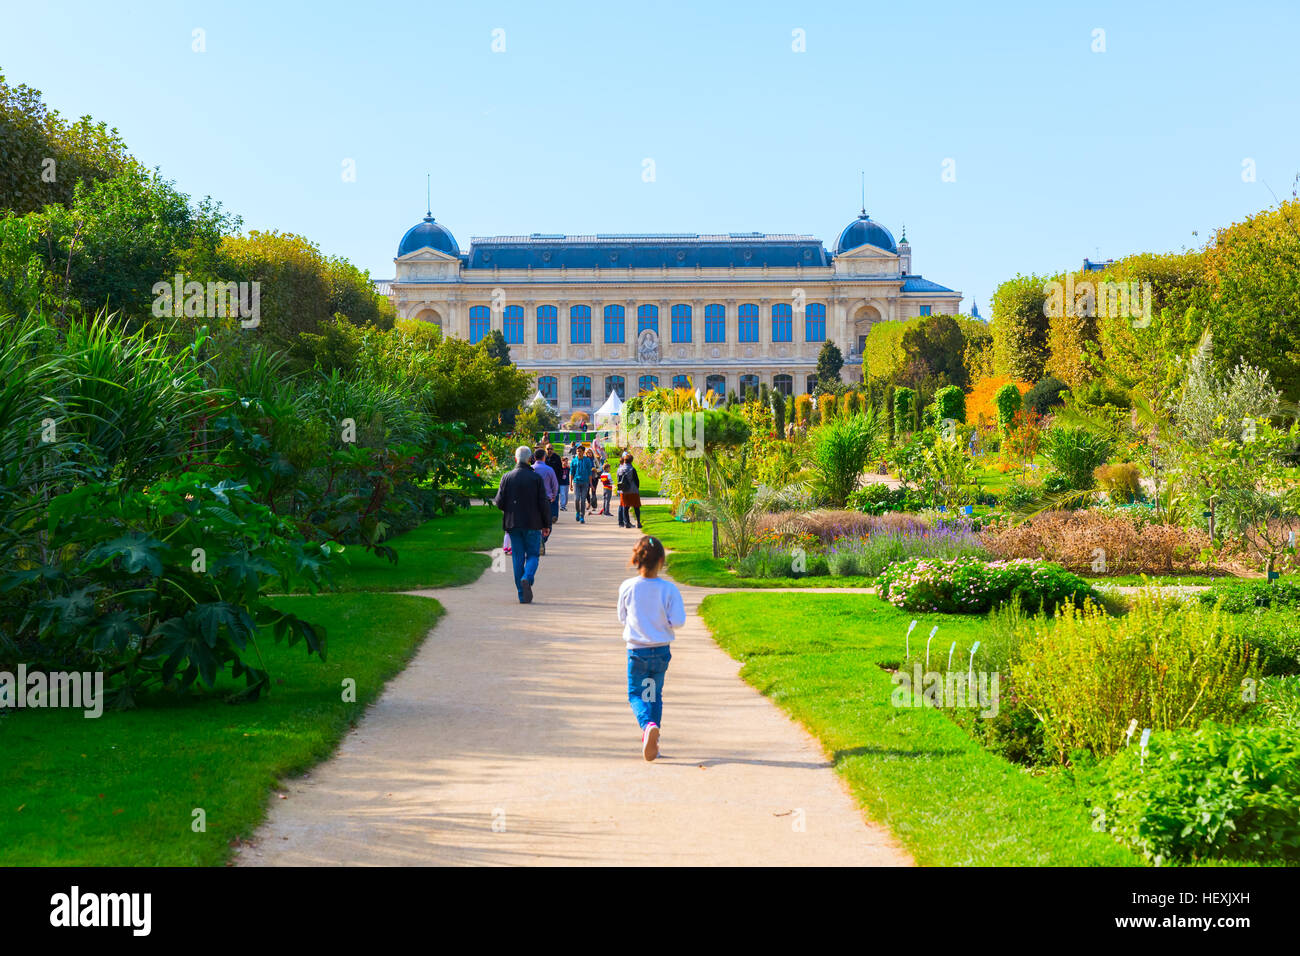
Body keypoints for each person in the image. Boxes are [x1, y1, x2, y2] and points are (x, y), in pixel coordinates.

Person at [617, 535, 685, 761]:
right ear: (661, 561)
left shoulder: (628, 587)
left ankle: (647, 726)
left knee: (637, 693)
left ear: (637, 559)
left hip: (637, 650)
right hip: (661, 650)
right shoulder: (668, 589)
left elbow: (621, 617)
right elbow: (678, 620)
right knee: (654, 693)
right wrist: (663, 622)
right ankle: (653, 738)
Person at [493, 445, 551, 603]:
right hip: (533, 523)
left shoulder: (507, 477)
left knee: (517, 557)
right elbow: (543, 503)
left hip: (513, 523)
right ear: (530, 459)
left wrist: (510, 509)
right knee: (533, 555)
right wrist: (546, 524)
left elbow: (499, 502)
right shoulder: (536, 478)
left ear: (515, 459)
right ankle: (527, 577)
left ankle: (521, 593)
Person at [533, 446, 559, 553]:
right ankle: (542, 540)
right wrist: (554, 495)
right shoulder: (549, 470)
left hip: (533, 500)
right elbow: (555, 485)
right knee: (547, 524)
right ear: (544, 457)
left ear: (534, 457)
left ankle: (538, 541)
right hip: (546, 500)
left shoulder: (531, 469)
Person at [617, 453, 642, 529]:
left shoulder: (619, 469)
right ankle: (638, 522)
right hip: (633, 490)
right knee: (636, 507)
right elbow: (636, 480)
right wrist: (637, 487)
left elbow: (618, 480)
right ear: (631, 461)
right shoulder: (632, 469)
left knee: (625, 507)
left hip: (624, 491)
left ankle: (627, 523)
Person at [570, 445, 594, 522]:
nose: (578, 453)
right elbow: (571, 472)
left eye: (580, 451)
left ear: (583, 452)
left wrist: (591, 483)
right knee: (577, 499)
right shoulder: (574, 460)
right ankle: (577, 511)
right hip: (576, 482)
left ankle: (582, 516)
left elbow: (590, 472)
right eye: (577, 451)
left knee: (583, 499)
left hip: (585, 482)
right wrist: (570, 483)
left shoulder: (587, 460)